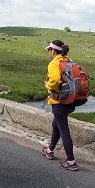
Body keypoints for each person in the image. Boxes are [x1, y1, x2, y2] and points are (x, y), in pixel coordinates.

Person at [41, 40, 78, 171]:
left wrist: (48, 85)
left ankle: (71, 161)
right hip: (71, 100)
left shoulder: (54, 63)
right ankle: (50, 150)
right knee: (56, 124)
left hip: (59, 101)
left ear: (53, 51)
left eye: (49, 50)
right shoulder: (69, 60)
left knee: (64, 130)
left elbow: (55, 80)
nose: (49, 53)